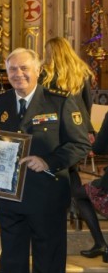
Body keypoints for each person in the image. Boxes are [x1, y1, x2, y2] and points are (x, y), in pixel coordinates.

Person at [0, 48, 90, 273]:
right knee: (12, 254)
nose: (18, 74)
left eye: (24, 68)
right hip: (8, 194)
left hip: (46, 194)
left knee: (48, 255)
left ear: (38, 70)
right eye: (12, 70)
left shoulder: (60, 101)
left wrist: (49, 162)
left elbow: (80, 144)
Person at [41, 37, 107, 259]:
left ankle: (98, 242)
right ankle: (100, 242)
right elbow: (88, 107)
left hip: (55, 137)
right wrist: (85, 133)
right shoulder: (82, 72)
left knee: (70, 189)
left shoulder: (46, 74)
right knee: (76, 189)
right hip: (78, 135)